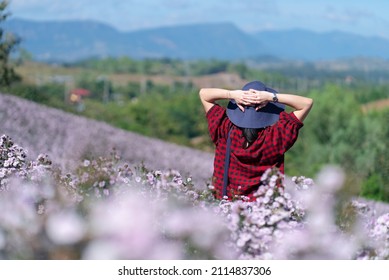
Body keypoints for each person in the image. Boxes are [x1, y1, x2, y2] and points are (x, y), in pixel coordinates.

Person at [199, 80, 313, 201]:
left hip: (225, 207)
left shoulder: (223, 128)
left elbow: (204, 94)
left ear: (239, 106)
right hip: (263, 210)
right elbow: (306, 103)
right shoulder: (275, 137)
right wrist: (271, 97)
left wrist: (232, 95)